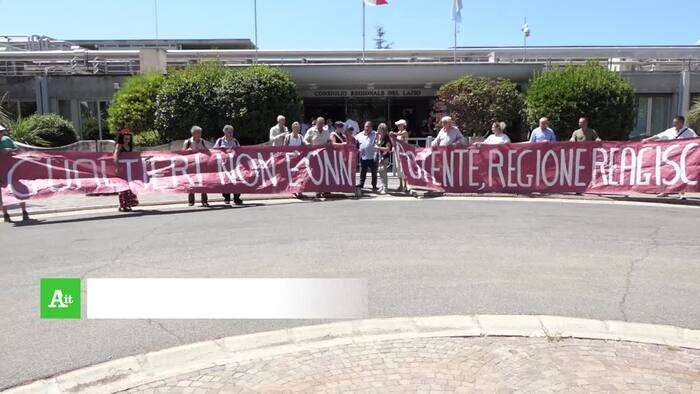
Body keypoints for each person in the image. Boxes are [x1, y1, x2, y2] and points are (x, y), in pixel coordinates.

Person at [0, 125, 30, 222]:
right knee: (2, 194)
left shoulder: (7, 139)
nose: (1, 134)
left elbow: (17, 150)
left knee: (19, 190)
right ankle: (6, 214)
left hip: (12, 170)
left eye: (1, 132)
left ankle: (24, 212)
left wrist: (10, 150)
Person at [213, 125, 243, 205]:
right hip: (224, 165)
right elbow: (214, 151)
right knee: (226, 181)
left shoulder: (235, 141)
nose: (231, 133)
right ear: (225, 132)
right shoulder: (220, 141)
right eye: (229, 132)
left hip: (234, 165)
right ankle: (227, 197)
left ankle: (236, 198)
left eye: (232, 132)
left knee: (236, 181)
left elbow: (240, 151)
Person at [303, 117, 332, 198]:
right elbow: (304, 140)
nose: (320, 125)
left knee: (325, 173)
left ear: (323, 124)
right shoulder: (311, 130)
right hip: (314, 156)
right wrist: (307, 144)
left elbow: (329, 140)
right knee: (316, 173)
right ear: (316, 123)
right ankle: (317, 190)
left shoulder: (326, 131)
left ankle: (325, 189)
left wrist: (329, 143)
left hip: (324, 155)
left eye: (322, 123)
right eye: (319, 123)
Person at [113, 129, 139, 212]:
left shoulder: (130, 146)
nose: (127, 140)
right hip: (122, 169)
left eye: (128, 139)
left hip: (129, 169)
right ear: (122, 138)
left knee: (130, 186)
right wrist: (117, 167)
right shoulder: (119, 146)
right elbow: (115, 155)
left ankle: (128, 204)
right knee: (123, 187)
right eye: (125, 139)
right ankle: (122, 205)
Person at [183, 125, 209, 207]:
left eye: (200, 133)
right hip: (191, 166)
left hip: (201, 166)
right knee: (191, 183)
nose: (200, 134)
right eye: (198, 133)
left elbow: (208, 152)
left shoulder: (202, 141)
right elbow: (182, 154)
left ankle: (204, 201)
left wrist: (205, 151)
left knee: (203, 182)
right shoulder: (187, 142)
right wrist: (187, 151)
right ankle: (191, 201)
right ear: (193, 134)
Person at [355, 121, 378, 192]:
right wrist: (358, 149)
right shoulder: (359, 135)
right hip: (363, 157)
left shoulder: (375, 134)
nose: (367, 128)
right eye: (366, 126)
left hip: (372, 157)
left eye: (369, 127)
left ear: (371, 128)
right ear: (364, 127)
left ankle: (374, 185)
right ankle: (361, 184)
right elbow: (354, 142)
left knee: (374, 172)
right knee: (362, 172)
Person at [391, 119, 409, 192]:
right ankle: (400, 185)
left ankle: (405, 185)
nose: (398, 126)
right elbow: (395, 140)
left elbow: (400, 135)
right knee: (399, 169)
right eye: (398, 125)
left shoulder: (405, 132)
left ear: (403, 125)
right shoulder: (398, 132)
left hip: (403, 153)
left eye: (399, 125)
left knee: (403, 169)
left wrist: (393, 133)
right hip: (397, 152)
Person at [374, 123, 393, 194]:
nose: (378, 130)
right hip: (379, 157)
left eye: (379, 129)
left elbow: (388, 148)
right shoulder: (380, 136)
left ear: (383, 130)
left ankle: (385, 188)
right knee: (380, 172)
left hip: (384, 157)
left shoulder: (386, 137)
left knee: (383, 173)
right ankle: (382, 186)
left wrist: (378, 148)